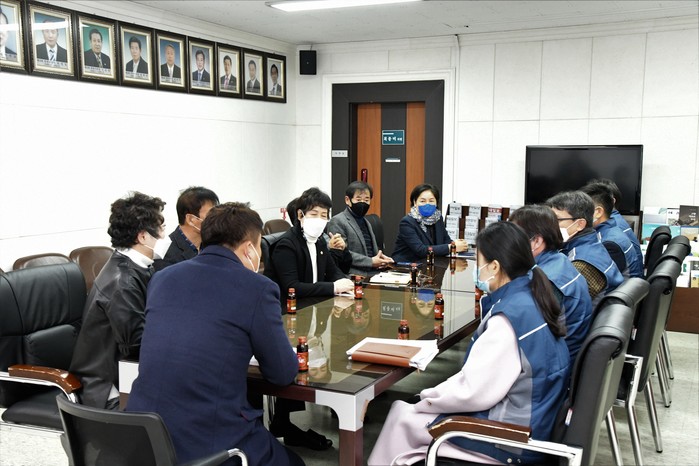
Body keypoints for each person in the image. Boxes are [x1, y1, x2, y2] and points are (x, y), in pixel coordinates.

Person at [368, 222, 569, 465]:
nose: (476, 269)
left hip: (509, 437)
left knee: (403, 415)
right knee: (409, 410)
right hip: (531, 417)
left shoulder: (508, 319)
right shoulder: (531, 296)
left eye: (478, 261)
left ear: (494, 266)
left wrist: (428, 398)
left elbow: (473, 391)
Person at [126, 203, 304, 466]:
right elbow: (282, 372)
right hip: (209, 442)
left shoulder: (162, 278)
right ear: (249, 248)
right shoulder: (257, 288)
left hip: (143, 435)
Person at [265, 187, 352, 451]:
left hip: (314, 313)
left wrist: (343, 284)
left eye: (324, 215)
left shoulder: (320, 243)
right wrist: (333, 288)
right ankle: (285, 422)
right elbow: (292, 287)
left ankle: (285, 421)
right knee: (303, 367)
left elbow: (334, 273)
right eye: (315, 214)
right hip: (289, 317)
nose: (320, 220)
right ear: (301, 215)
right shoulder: (286, 245)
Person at [69, 192, 167, 409]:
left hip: (127, 371)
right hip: (107, 387)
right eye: (160, 228)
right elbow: (136, 344)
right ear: (143, 236)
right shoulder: (122, 282)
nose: (163, 235)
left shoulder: (138, 267)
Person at [509, 204, 592, 364]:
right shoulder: (559, 260)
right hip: (563, 355)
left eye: (514, 237)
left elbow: (526, 335)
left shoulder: (545, 281)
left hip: (553, 366)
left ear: (536, 241)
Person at [547, 191, 624, 305]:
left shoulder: (581, 264)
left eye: (556, 220)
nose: (550, 225)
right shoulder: (589, 244)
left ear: (580, 224)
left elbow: (555, 307)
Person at [327, 181, 393, 277]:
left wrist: (382, 260)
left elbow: (371, 252)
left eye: (366, 200)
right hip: (353, 274)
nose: (363, 203)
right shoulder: (338, 221)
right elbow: (342, 253)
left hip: (374, 272)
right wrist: (371, 262)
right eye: (358, 199)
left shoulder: (367, 222)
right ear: (347, 200)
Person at [581, 181, 644, 278]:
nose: (579, 214)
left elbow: (596, 279)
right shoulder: (611, 225)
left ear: (598, 211)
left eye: (583, 209)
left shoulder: (610, 242)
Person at [392, 183, 468, 263]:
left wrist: (458, 244)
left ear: (436, 203)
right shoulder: (407, 222)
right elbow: (421, 250)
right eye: (422, 201)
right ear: (415, 202)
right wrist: (452, 247)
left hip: (431, 264)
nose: (427, 204)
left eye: (431, 201)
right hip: (407, 266)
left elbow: (446, 241)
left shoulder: (438, 219)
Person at [153, 186, 219, 271]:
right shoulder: (166, 254)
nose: (217, 219)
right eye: (212, 214)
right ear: (191, 220)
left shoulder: (214, 245)